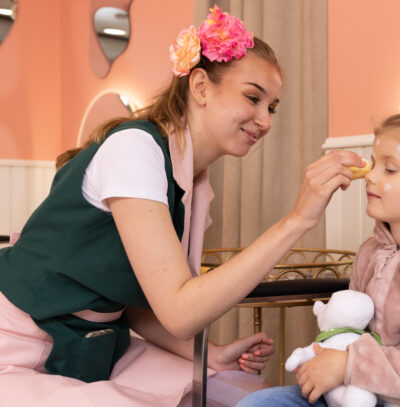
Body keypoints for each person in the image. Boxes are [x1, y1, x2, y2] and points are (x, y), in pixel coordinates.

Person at [0, 6, 364, 407]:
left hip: (90, 346)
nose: (266, 121)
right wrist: (297, 220)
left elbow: (137, 303)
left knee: (225, 390)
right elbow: (178, 309)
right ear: (201, 86)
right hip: (17, 343)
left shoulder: (194, 181)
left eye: (272, 107)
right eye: (253, 98)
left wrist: (210, 353)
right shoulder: (135, 149)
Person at [236, 110, 400, 407]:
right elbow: (350, 331)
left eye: (389, 170)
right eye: (375, 165)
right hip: (360, 393)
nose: (370, 176)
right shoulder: (370, 252)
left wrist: (348, 365)